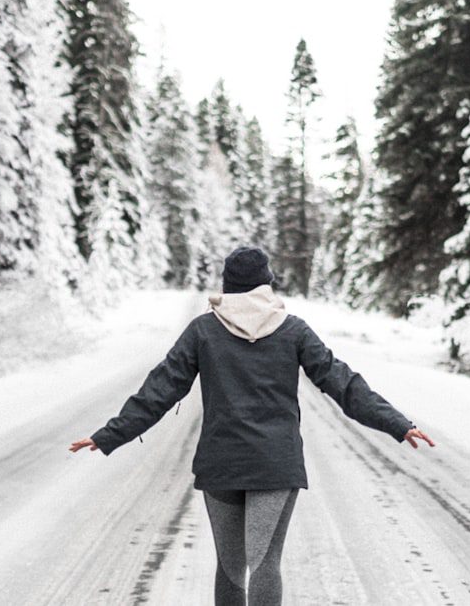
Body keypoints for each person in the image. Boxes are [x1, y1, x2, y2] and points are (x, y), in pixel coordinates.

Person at [68, 246, 435, 606]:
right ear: (266, 285)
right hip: (276, 464)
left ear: (227, 287)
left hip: (221, 464)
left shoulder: (203, 331)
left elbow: (159, 389)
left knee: (230, 569)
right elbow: (343, 383)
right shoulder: (293, 331)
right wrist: (398, 424)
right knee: (265, 564)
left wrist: (109, 435)